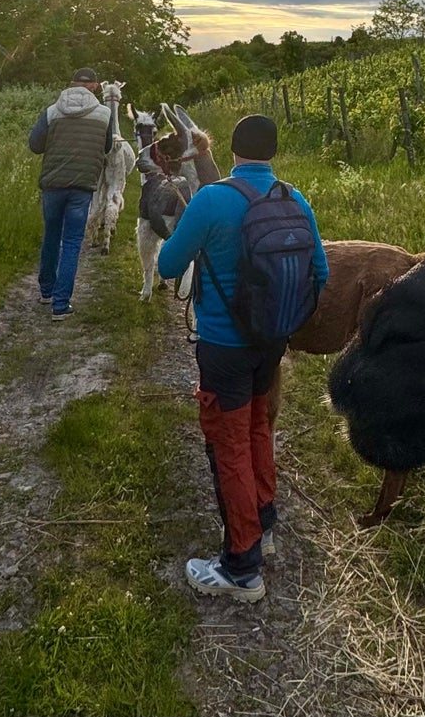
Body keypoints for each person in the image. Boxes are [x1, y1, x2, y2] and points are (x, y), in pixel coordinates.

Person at [157, 114, 328, 602]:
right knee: (258, 427)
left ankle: (241, 566)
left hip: (223, 346)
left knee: (227, 442)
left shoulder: (212, 199)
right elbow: (321, 270)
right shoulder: (293, 198)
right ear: (273, 152)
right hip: (272, 341)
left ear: (229, 150)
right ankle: (264, 522)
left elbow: (169, 264)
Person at [27, 67, 113, 319]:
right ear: (95, 86)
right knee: (73, 242)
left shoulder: (51, 111)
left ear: (72, 84)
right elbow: (106, 147)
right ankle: (60, 305)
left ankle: (46, 292)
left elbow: (34, 145)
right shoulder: (104, 114)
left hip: (53, 184)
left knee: (51, 235)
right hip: (82, 186)